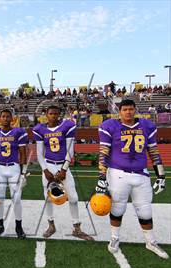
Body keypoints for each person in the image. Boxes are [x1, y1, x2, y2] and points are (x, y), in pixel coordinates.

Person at [97, 99, 168, 259]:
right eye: (125, 109)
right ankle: (114, 238)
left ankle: (150, 241)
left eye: (131, 109)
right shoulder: (110, 126)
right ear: (119, 111)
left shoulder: (146, 126)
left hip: (141, 173)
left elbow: (154, 152)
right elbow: (103, 152)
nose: (128, 112)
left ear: (135, 110)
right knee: (118, 208)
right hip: (118, 174)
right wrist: (101, 176)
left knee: (145, 210)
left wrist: (161, 175)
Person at [33, 105, 93, 240]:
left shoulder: (67, 126)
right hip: (48, 165)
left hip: (62, 165)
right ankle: (51, 225)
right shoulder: (40, 129)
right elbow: (39, 153)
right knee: (48, 197)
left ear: (59, 114)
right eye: (50, 113)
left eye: (56, 113)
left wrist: (64, 169)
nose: (53, 116)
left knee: (73, 197)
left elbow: (70, 150)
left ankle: (77, 228)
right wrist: (45, 170)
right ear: (46, 114)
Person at [0, 109, 28, 238]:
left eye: (7, 117)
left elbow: (23, 153)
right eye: (3, 116)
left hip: (14, 167)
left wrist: (23, 173)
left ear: (12, 119)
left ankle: (19, 227)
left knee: (17, 198)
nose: (5, 119)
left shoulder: (18, 132)